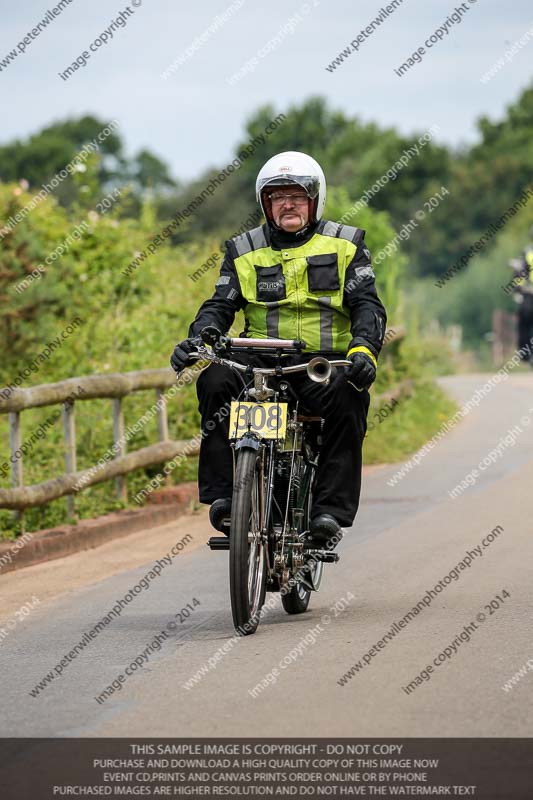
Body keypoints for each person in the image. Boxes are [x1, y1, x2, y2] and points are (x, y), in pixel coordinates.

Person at [170, 151, 387, 547]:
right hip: (259, 362)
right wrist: (200, 339)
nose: (288, 204)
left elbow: (367, 306)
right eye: (277, 197)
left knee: (349, 396)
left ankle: (327, 513)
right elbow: (220, 305)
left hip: (323, 364)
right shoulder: (243, 249)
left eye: (297, 195)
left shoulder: (347, 244)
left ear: (315, 200)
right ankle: (225, 497)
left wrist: (363, 351)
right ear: (265, 204)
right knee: (216, 378)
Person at [508, 227, 533, 359]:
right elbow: (520, 274)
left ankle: (524, 353)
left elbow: (519, 273)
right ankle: (525, 353)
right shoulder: (527, 252)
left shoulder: (527, 252)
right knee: (524, 319)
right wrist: (518, 290)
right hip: (529, 293)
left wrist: (517, 290)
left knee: (524, 320)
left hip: (528, 294)